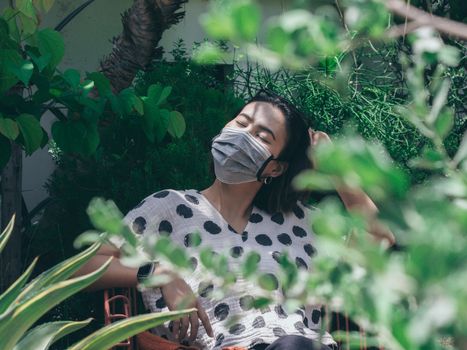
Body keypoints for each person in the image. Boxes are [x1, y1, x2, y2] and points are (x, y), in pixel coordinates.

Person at [76, 89, 394, 350]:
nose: (243, 135)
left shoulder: (302, 222)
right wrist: (156, 272)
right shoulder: (170, 208)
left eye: (262, 136)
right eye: (241, 122)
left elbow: (378, 237)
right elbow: (82, 268)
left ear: (275, 168)